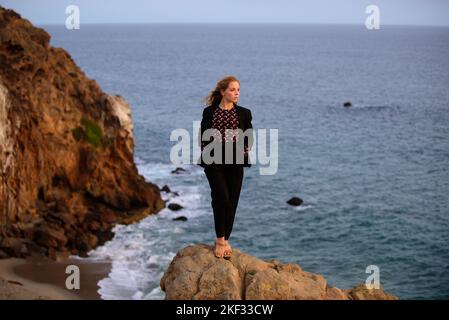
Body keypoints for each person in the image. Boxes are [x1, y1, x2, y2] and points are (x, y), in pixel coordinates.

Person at [198, 75, 254, 259]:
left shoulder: (244, 113)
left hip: (235, 163)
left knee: (232, 201)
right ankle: (220, 240)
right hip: (214, 162)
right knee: (220, 196)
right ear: (223, 92)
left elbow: (248, 136)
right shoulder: (209, 112)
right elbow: (203, 135)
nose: (236, 93)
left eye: (238, 90)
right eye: (232, 89)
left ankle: (225, 239)